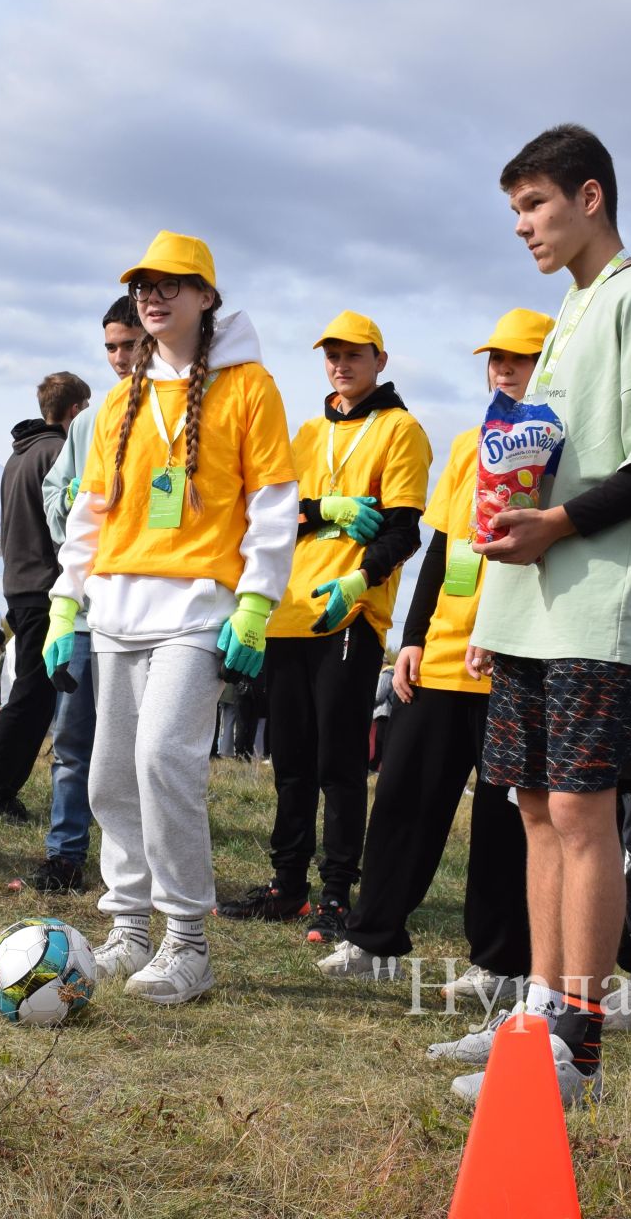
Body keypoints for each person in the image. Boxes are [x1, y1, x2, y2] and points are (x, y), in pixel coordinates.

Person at [454, 126, 631, 1108]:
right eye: (514, 209)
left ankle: (582, 1041)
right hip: (531, 604)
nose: (522, 225)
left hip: (598, 607)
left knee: (579, 808)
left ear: (590, 196)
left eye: (535, 205)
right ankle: (535, 1015)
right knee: (528, 808)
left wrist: (557, 521)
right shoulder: (567, 312)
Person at [45, 230, 298, 1005]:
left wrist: (256, 603)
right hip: (115, 609)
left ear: (206, 297)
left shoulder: (251, 386)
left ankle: (188, 942)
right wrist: (65, 602)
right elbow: (90, 511)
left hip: (198, 611)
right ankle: (128, 928)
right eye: (144, 285)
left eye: (172, 284)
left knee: (164, 760)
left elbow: (273, 503)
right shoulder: (120, 397)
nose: (154, 296)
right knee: (110, 776)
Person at [315, 308, 548, 1000]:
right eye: (495, 358)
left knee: (501, 823)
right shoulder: (470, 442)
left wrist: (502, 631)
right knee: (404, 800)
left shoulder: (557, 446)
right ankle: (372, 937)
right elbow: (443, 545)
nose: (503, 369)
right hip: (444, 653)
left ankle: (501, 965)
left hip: (509, 658)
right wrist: (412, 638)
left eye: (520, 358)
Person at [221, 310, 429, 941]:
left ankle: (337, 893)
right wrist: (327, 510)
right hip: (288, 612)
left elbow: (405, 530)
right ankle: (288, 885)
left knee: (339, 764)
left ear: (380, 361)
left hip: (347, 614)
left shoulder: (402, 430)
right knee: (290, 761)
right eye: (332, 355)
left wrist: (359, 580)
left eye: (355, 355)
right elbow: (279, 512)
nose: (341, 365)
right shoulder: (307, 430)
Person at [14, 297, 142, 894]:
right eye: (111, 347)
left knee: (142, 754)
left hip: (147, 612)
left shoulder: (184, 410)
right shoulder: (91, 421)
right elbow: (56, 489)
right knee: (72, 741)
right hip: (88, 610)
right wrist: (82, 512)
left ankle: (139, 870)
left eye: (130, 344)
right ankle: (64, 855)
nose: (120, 358)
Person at [0, 372, 92, 821]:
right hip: (45, 587)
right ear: (75, 411)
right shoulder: (58, 454)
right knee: (32, 696)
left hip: (19, 584)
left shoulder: (19, 457)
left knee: (37, 697)